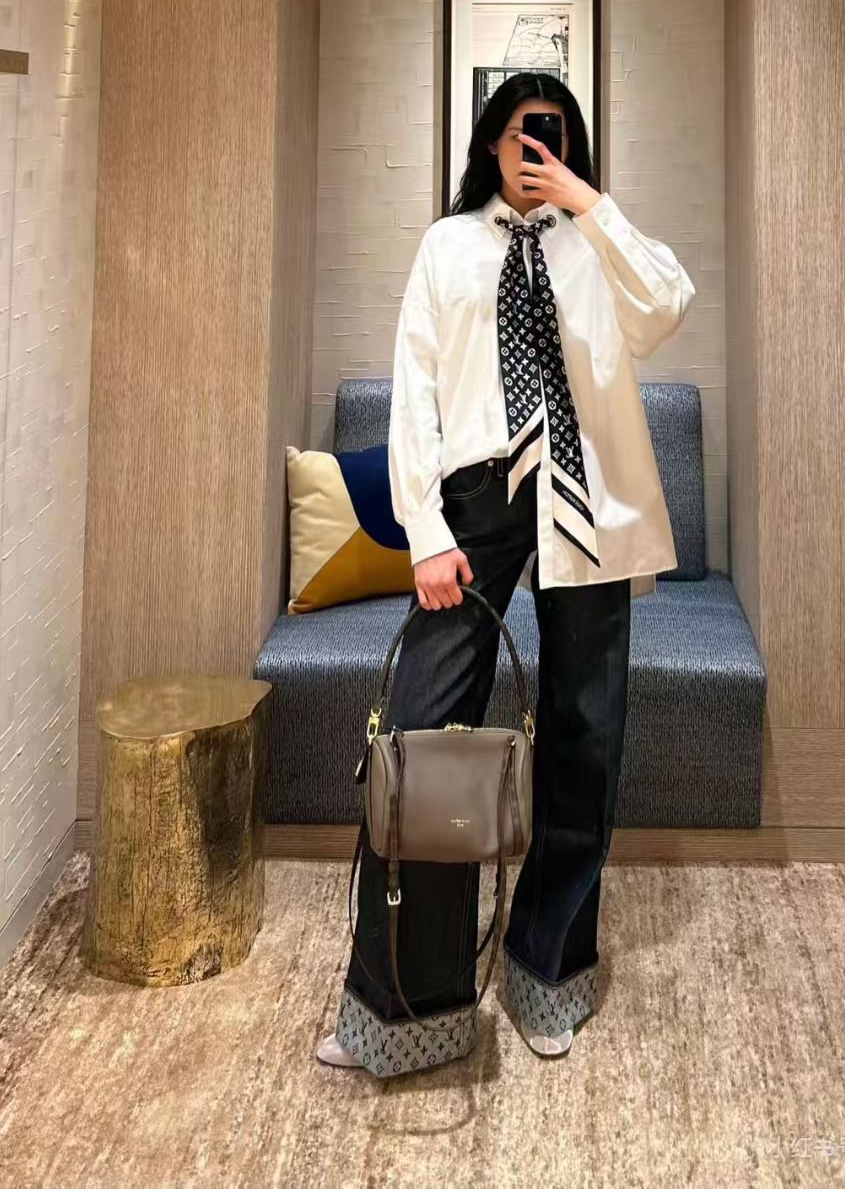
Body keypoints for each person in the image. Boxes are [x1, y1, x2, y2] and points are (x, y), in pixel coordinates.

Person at [317, 71, 695, 1077]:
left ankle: (547, 972)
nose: (539, 151)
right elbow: (414, 390)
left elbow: (668, 304)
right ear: (492, 142)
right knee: (422, 734)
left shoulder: (596, 239)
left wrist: (585, 201)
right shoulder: (448, 244)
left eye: (556, 137)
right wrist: (424, 529)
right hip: (475, 500)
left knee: (585, 734)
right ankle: (404, 1001)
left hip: (586, 498)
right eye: (526, 136)